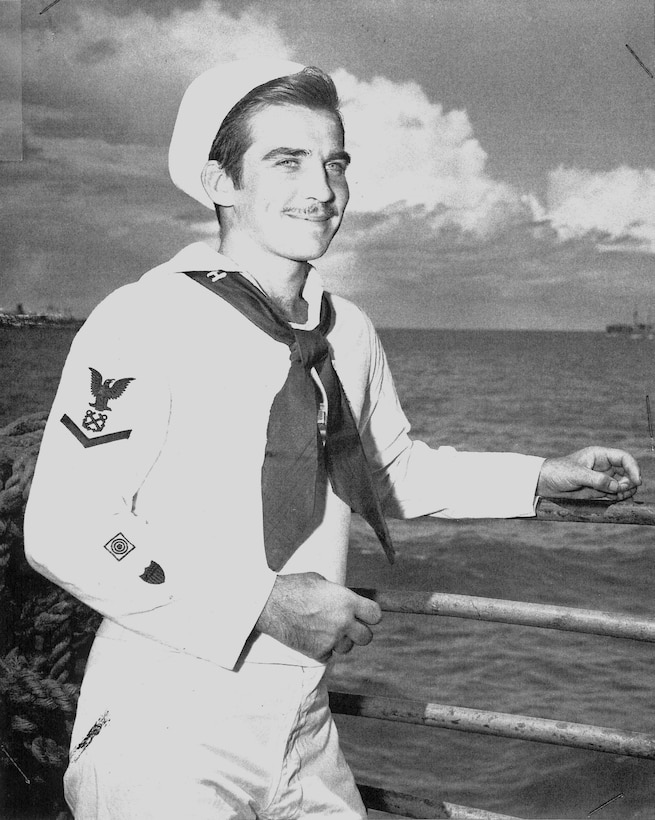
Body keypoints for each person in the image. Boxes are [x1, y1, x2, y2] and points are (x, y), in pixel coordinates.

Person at [24, 58, 641, 820]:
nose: (321, 189)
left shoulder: (345, 332)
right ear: (220, 182)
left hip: (304, 730)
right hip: (166, 725)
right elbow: (65, 525)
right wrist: (260, 603)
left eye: (334, 162)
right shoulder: (144, 320)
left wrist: (539, 477)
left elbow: (394, 472)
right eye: (285, 161)